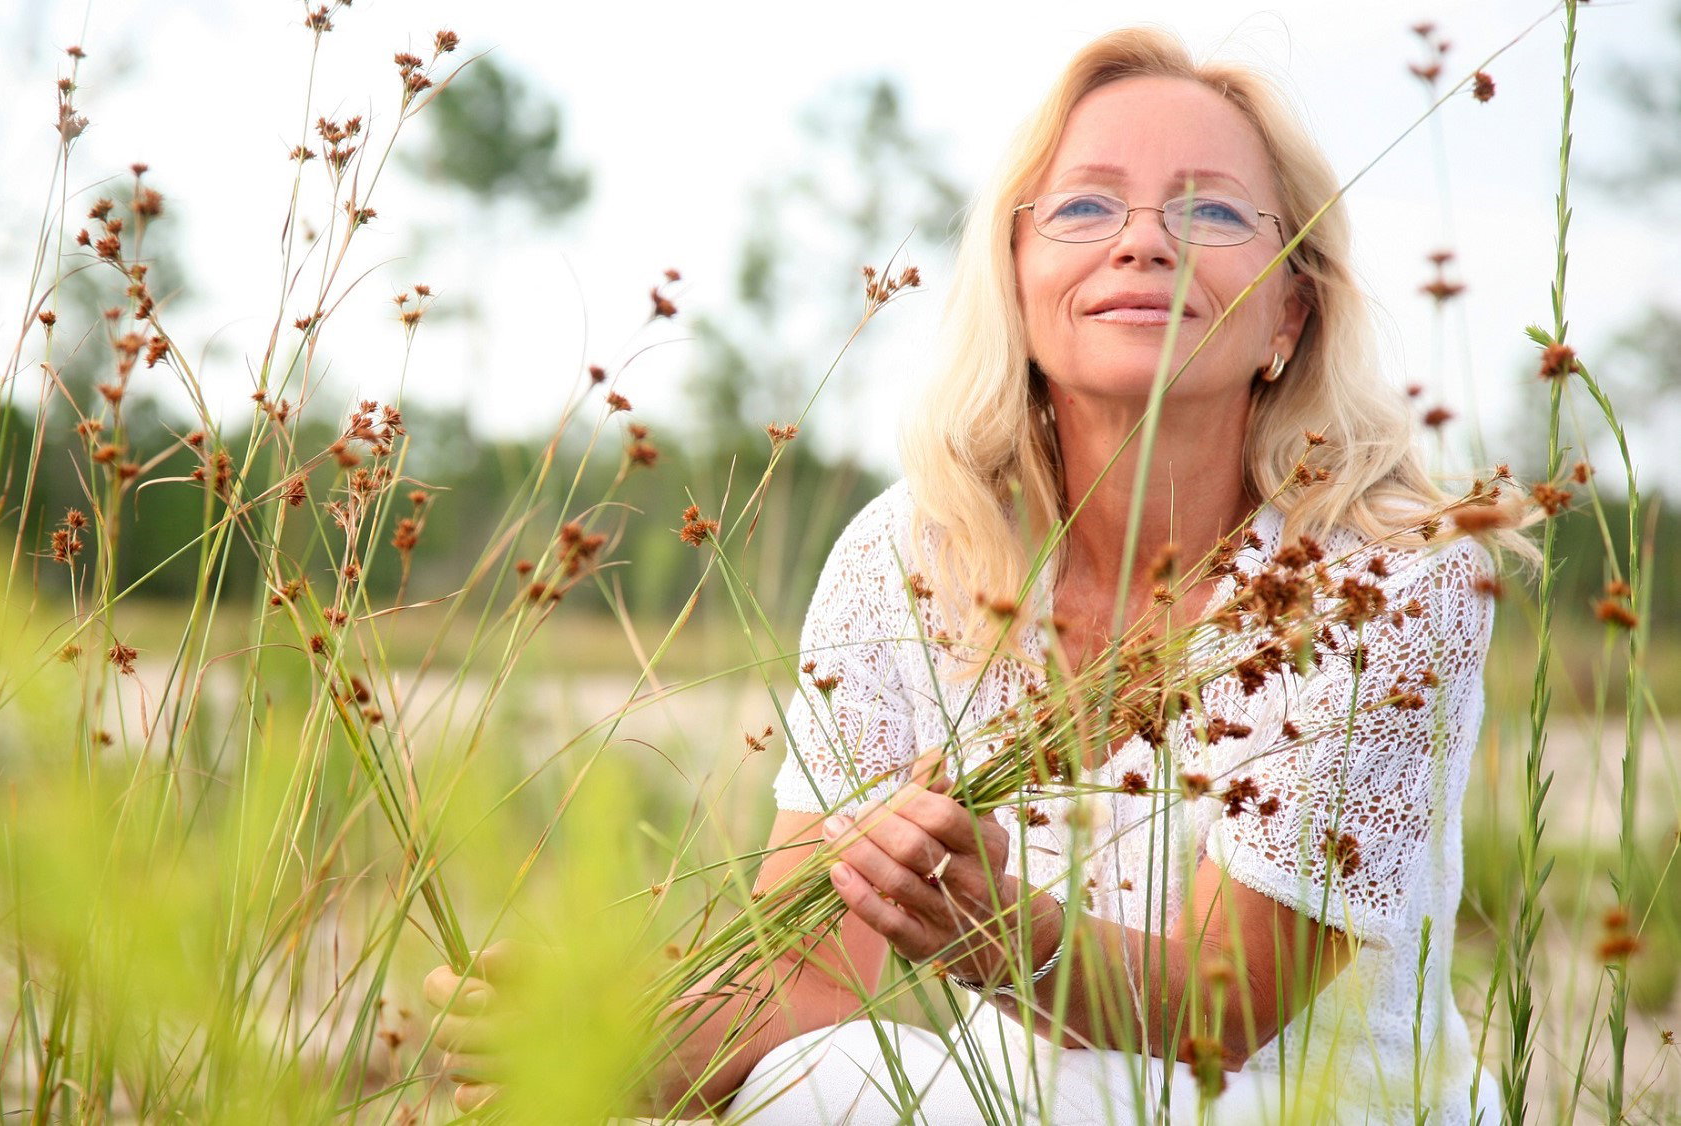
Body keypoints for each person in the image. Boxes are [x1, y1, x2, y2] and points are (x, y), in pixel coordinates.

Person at [426, 26, 1520, 1125]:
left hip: (1308, 1106)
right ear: (1016, 280)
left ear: (1290, 310)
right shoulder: (913, 554)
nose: (1144, 243)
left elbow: (1225, 1012)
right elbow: (810, 974)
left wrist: (1001, 930)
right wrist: (606, 1034)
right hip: (1024, 1105)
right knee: (814, 1079)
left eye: (1213, 211)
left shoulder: (1390, 579)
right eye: (1086, 207)